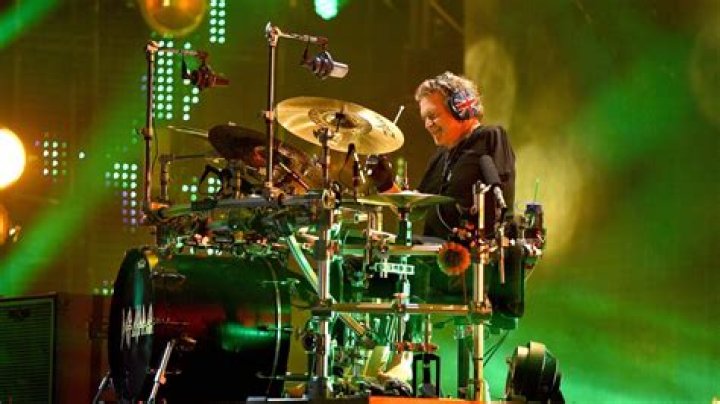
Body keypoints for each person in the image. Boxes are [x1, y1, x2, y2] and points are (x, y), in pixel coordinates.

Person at [368, 71, 523, 318]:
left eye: (432, 115)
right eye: (425, 118)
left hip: (469, 261)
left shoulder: (490, 137)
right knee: (364, 262)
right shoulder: (441, 156)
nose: (427, 124)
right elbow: (413, 208)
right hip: (433, 257)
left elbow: (499, 202)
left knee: (375, 264)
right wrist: (385, 182)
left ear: (461, 106)